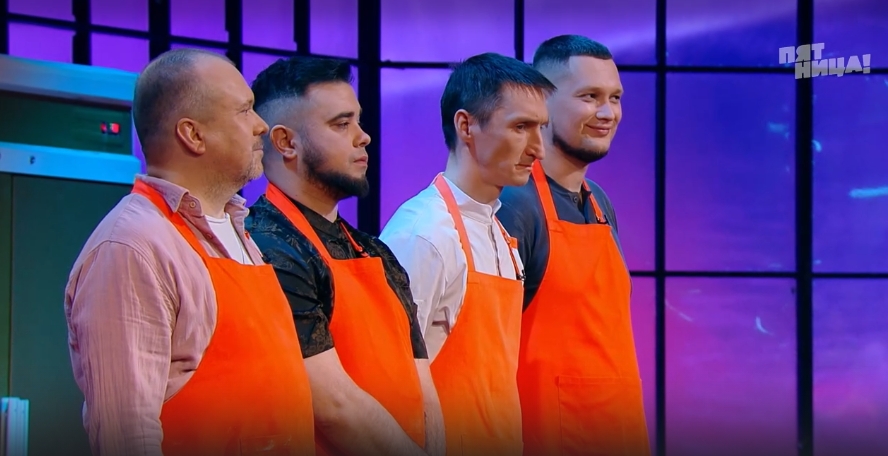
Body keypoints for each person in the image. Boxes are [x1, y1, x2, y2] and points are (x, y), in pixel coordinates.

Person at [64, 48, 316, 456]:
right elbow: (126, 434)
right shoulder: (132, 247)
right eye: (244, 110)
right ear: (193, 135)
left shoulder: (238, 230)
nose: (261, 125)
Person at [245, 56, 445, 456]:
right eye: (341, 124)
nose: (363, 137)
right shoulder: (264, 247)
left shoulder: (376, 250)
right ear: (285, 142)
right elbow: (334, 406)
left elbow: (423, 381)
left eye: (358, 121)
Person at [379, 52, 554, 456]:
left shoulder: (499, 232)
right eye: (521, 127)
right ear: (466, 126)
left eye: (541, 128)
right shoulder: (423, 234)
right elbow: (388, 379)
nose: (538, 149)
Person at [496, 35, 651, 456]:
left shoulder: (599, 202)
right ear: (543, 102)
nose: (607, 113)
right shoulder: (514, 205)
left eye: (615, 98)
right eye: (589, 97)